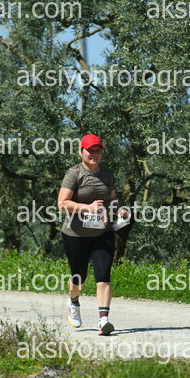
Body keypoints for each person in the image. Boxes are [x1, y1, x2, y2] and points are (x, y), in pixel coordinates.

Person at [57, 134, 128, 336]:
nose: (94, 154)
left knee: (103, 276)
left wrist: (120, 210)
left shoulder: (107, 174)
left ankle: (103, 320)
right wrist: (87, 208)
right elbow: (62, 203)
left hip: (102, 232)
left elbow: (112, 199)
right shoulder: (74, 174)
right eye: (90, 150)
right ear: (81, 152)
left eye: (98, 150)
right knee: (78, 277)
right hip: (76, 234)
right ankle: (73, 301)